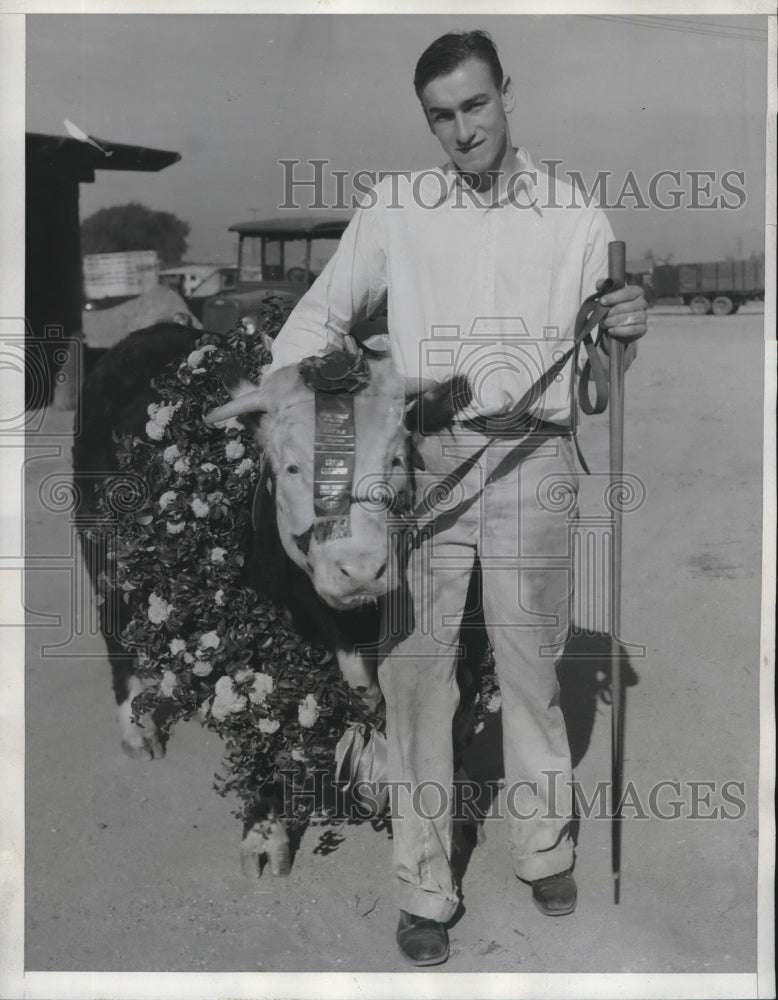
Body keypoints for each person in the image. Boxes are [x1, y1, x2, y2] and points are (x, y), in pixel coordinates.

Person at [264, 30, 647, 965]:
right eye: (442, 115)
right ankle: (424, 887)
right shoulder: (395, 209)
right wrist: (333, 390)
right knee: (416, 680)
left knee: (531, 668)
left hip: (536, 460)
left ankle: (543, 847)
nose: (462, 129)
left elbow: (599, 379)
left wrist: (623, 333)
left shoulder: (575, 214)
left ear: (506, 94)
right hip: (425, 469)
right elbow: (312, 321)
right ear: (427, 119)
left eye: (476, 105)